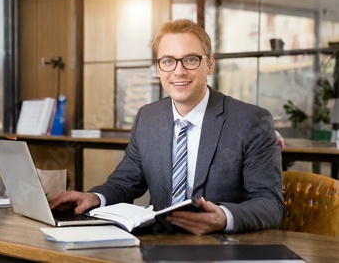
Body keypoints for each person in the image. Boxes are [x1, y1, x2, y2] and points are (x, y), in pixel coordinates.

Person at [49, 19, 284, 235]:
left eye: (191, 59)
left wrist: (224, 218)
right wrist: (93, 197)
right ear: (159, 68)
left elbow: (270, 204)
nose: (178, 71)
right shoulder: (148, 118)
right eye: (168, 61)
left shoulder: (251, 121)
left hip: (222, 247)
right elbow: (124, 183)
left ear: (210, 64)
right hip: (158, 245)